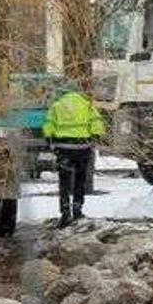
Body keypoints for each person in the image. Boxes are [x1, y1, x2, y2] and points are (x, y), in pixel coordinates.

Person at [42, 83, 106, 227]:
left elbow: (48, 126)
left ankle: (65, 212)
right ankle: (77, 209)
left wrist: (50, 141)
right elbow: (97, 125)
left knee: (64, 181)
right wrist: (93, 139)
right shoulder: (87, 105)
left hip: (63, 147)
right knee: (80, 179)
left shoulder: (57, 106)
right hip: (83, 147)